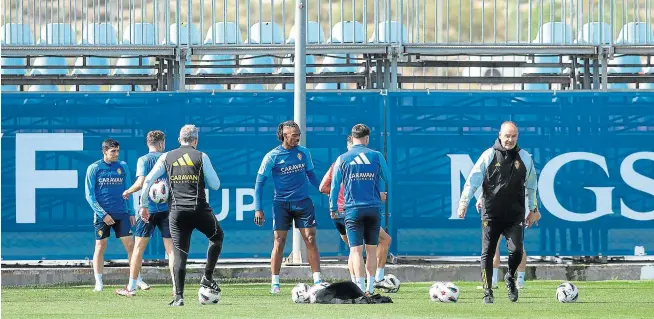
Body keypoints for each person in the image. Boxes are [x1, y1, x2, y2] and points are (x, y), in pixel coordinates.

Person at [457, 121, 541, 304]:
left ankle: (510, 277)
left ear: (517, 136)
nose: (510, 140)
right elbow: (473, 180)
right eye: (507, 136)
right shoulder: (489, 155)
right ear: (500, 135)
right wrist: (463, 202)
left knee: (517, 250)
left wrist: (534, 209)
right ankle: (487, 291)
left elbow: (532, 186)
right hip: (491, 214)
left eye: (514, 136)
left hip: (515, 214)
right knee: (487, 252)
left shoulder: (525, 158)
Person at [139, 124, 223, 306]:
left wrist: (144, 205)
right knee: (217, 237)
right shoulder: (201, 156)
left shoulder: (166, 157)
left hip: (176, 213)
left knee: (179, 254)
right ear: (196, 140)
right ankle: (207, 277)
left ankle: (179, 297)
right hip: (199, 209)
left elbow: (147, 182)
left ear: (179, 140)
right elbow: (215, 184)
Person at [253, 120, 323, 294]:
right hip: (281, 204)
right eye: (294, 135)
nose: (298, 138)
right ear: (284, 136)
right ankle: (275, 282)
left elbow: (312, 176)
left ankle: (318, 280)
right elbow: (259, 183)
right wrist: (258, 208)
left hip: (303, 203)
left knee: (311, 239)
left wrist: (324, 189)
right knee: (279, 241)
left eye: (299, 134)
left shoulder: (304, 153)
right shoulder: (272, 156)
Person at [319, 134, 394, 290]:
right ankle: (375, 281)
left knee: (354, 250)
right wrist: (352, 193)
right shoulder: (352, 161)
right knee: (377, 243)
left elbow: (326, 187)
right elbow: (327, 187)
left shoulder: (340, 161)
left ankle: (355, 284)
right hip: (352, 209)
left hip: (343, 211)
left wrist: (336, 203)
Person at [116, 130, 175, 297]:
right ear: (162, 143)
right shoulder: (169, 158)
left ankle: (131, 288)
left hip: (147, 210)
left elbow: (141, 183)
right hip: (167, 209)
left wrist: (128, 190)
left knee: (138, 248)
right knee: (170, 250)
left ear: (148, 143)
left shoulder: (144, 160)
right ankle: (175, 287)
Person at [85, 138, 149, 292]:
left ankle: (137, 279)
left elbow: (128, 190)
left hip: (122, 214)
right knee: (100, 246)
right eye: (113, 151)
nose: (116, 154)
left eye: (117, 151)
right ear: (104, 151)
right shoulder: (94, 168)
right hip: (103, 216)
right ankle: (99, 282)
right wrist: (102, 213)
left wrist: (131, 212)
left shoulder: (123, 166)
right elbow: (89, 195)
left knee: (131, 246)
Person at [476, 197, 538, 289]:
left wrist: (482, 197)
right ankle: (520, 281)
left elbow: (491, 184)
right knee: (518, 245)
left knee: (494, 245)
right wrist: (534, 209)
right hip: (518, 204)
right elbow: (531, 189)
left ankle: (493, 280)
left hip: (503, 205)